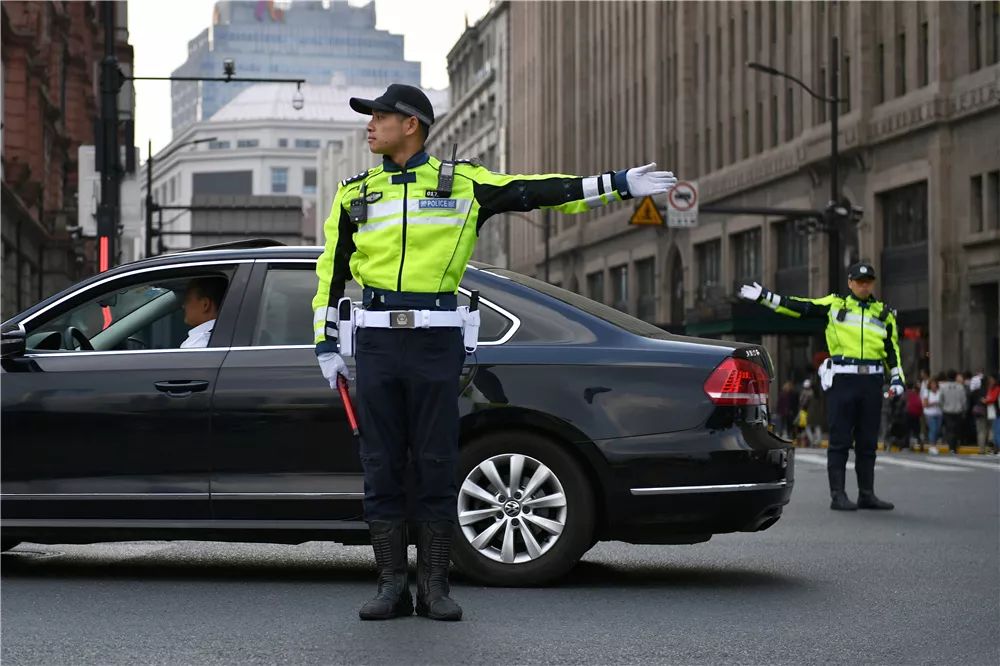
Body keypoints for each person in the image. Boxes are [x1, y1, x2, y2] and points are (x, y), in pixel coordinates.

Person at [310, 83, 678, 621]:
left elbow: (541, 191)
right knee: (381, 464)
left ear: (410, 124)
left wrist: (619, 185)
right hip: (377, 342)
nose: (369, 125)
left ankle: (435, 589)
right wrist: (324, 341)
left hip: (437, 342)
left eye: (379, 116)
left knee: (437, 463)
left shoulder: (464, 186)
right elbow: (330, 272)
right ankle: (391, 586)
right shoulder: (353, 193)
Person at [738, 261, 902, 511]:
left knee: (868, 441)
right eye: (859, 281)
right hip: (843, 380)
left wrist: (898, 379)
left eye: (868, 281)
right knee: (839, 439)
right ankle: (838, 495)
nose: (863, 285)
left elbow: (893, 351)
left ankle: (867, 494)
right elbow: (800, 307)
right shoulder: (835, 305)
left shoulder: (884, 313)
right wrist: (765, 297)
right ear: (850, 283)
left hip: (872, 381)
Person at [180, 277, 226, 348]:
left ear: (205, 304)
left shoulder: (197, 344)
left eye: (187, 300)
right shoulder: (226, 334)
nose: (183, 306)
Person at [939, 370, 967, 454]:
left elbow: (941, 399)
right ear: (955, 377)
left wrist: (943, 408)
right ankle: (955, 446)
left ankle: (951, 447)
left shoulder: (943, 386)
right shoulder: (960, 387)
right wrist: (963, 409)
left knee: (949, 430)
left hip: (947, 411)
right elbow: (964, 400)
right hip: (958, 411)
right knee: (956, 430)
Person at [923, 377, 943, 454]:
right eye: (932, 384)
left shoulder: (939, 392)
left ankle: (934, 444)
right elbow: (925, 404)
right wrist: (934, 403)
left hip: (939, 413)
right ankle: (932, 446)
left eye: (935, 384)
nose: (933, 385)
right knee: (933, 429)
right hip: (929, 414)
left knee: (937, 430)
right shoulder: (927, 392)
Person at [904, 382, 924, 451]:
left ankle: (906, 446)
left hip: (908, 414)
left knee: (907, 431)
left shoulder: (906, 394)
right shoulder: (916, 394)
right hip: (916, 415)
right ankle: (921, 445)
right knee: (916, 431)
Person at [984, 374, 1000, 454]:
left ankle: (998, 448)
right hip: (994, 412)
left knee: (997, 431)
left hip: (997, 412)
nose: (990, 381)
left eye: (992, 379)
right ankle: (996, 449)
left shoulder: (997, 388)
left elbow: (992, 398)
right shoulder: (992, 388)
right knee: (995, 431)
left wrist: (985, 401)